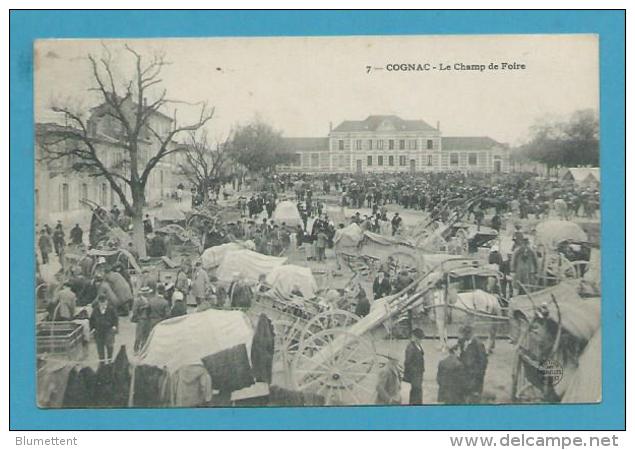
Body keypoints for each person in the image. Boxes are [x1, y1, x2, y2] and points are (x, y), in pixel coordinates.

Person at [458, 324, 488, 403]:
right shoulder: (462, 341)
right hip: (465, 374)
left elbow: (483, 361)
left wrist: (479, 375)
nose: (462, 336)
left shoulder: (478, 344)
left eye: (464, 334)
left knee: (474, 398)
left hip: (474, 375)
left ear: (469, 334)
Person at [89, 293, 118, 364]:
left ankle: (109, 361)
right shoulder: (95, 310)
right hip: (98, 331)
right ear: (98, 302)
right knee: (100, 348)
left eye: (104, 302)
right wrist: (92, 329)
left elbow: (115, 318)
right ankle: (102, 363)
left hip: (109, 330)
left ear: (106, 301)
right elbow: (91, 320)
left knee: (109, 346)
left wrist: (115, 327)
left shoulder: (111, 309)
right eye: (101, 302)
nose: (102, 304)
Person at [403, 328, 425, 404]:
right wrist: (414, 372)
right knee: (416, 392)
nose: (420, 340)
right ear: (415, 337)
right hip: (414, 375)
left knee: (418, 391)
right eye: (419, 338)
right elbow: (407, 362)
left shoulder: (417, 345)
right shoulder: (411, 348)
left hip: (418, 374)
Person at [131, 286, 152, 353]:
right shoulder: (137, 301)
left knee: (146, 335)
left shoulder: (150, 300)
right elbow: (134, 310)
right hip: (141, 319)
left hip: (148, 319)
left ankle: (143, 349)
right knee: (138, 335)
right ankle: (136, 349)